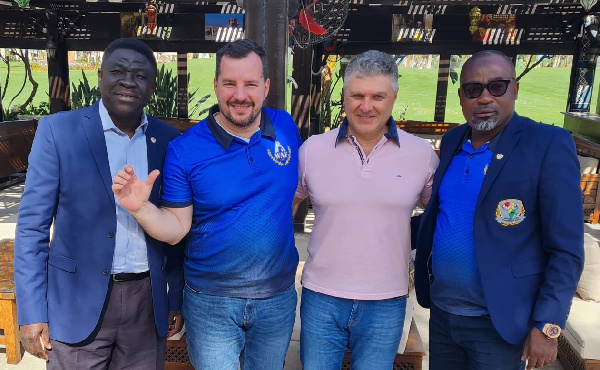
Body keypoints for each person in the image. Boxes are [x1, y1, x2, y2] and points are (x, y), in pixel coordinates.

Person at [111, 39, 302, 370]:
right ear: (216, 85)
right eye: (229, 83)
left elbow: (297, 191)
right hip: (212, 302)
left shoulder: (285, 126)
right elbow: (176, 229)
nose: (240, 95)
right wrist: (139, 208)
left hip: (277, 297)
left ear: (267, 86)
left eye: (250, 84)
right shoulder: (186, 149)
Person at [14, 38, 184, 369]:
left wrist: (173, 296)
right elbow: (32, 227)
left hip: (146, 305)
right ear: (100, 75)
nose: (127, 81)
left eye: (139, 75)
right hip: (76, 303)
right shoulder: (59, 131)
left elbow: (174, 225)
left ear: (152, 87)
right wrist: (32, 311)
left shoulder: (166, 140)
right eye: (118, 71)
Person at [414, 50, 585, 370]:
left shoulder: (547, 144)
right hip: (443, 316)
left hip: (499, 324)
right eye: (473, 89)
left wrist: (548, 326)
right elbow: (446, 217)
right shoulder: (452, 142)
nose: (484, 98)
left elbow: (567, 250)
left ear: (515, 89)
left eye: (497, 86)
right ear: (462, 96)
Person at [293, 50, 439, 369]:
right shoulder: (312, 150)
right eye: (357, 94)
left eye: (378, 96)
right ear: (344, 96)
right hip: (321, 297)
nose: (366, 105)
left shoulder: (422, 156)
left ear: (394, 97)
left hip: (387, 300)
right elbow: (283, 208)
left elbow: (438, 221)